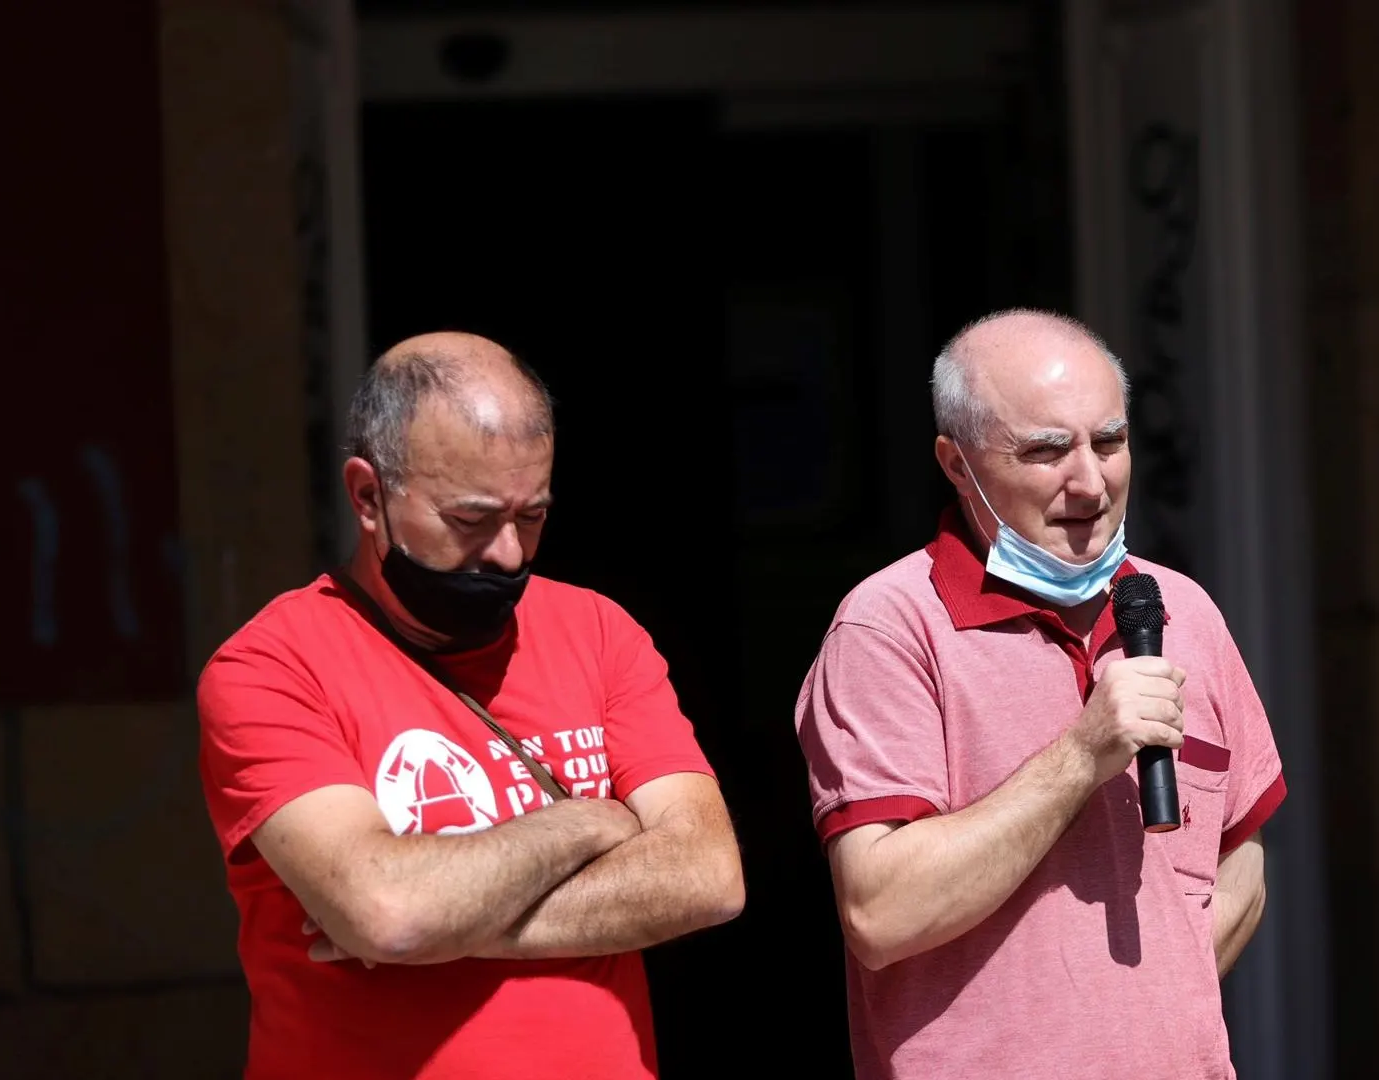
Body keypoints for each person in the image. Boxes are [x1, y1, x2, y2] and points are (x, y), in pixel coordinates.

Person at [197, 332, 744, 1079]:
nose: (510, 554)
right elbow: (388, 909)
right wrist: (587, 821)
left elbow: (707, 878)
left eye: (532, 517)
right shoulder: (271, 667)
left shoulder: (598, 632)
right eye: (472, 520)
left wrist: (446, 927)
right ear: (368, 496)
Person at [793, 309, 1284, 1078]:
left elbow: (1241, 858)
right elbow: (880, 912)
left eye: (1110, 442)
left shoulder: (1179, 611)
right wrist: (1082, 755)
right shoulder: (888, 629)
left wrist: (1141, 1008)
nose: (1089, 481)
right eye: (1048, 451)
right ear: (956, 465)